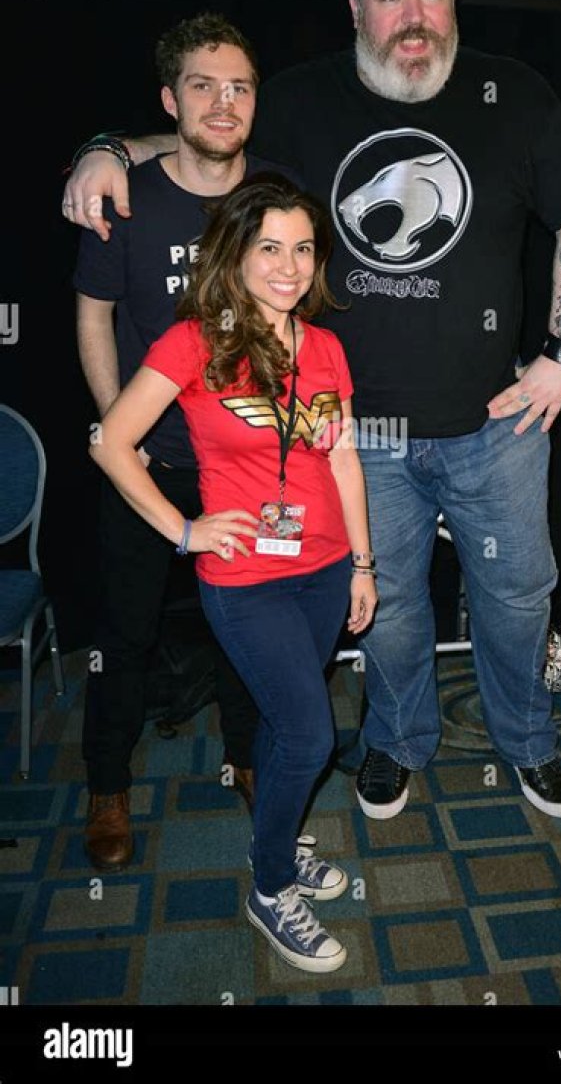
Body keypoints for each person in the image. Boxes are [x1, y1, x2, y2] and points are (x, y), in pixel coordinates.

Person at [62, 0, 561, 826]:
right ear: (357, 4)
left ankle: (528, 740)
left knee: (519, 597)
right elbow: (210, 142)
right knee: (387, 606)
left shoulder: (513, 94)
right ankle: (397, 741)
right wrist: (105, 150)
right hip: (358, 436)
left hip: (499, 425)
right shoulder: (307, 99)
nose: (414, 18)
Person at [89, 174, 377, 972]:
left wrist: (363, 563)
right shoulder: (193, 341)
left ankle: (274, 840)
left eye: (304, 248)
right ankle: (271, 887)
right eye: (270, 247)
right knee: (312, 732)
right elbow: (110, 442)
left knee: (286, 725)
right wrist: (184, 530)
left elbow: (343, 459)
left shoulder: (326, 347)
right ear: (236, 254)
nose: (289, 266)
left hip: (325, 570)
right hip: (244, 578)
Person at [73, 13, 295, 871]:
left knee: (250, 627)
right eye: (203, 85)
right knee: (123, 634)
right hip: (151, 460)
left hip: (246, 466)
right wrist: (116, 425)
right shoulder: (126, 197)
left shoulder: (275, 191)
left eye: (239, 86)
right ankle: (107, 785)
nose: (223, 102)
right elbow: (94, 315)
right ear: (170, 100)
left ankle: (248, 758)